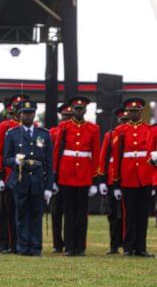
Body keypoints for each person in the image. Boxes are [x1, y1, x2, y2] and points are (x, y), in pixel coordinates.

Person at [3, 99, 54, 256]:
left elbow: (49, 163)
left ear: (34, 114)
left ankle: (36, 247)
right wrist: (15, 161)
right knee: (21, 214)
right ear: (19, 115)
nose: (28, 116)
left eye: (30, 113)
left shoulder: (43, 134)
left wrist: (49, 187)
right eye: (25, 113)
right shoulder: (12, 134)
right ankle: (23, 247)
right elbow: (6, 158)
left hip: (38, 180)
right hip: (20, 179)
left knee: (37, 214)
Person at [107, 97, 155, 257]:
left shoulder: (149, 130)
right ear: (127, 112)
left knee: (143, 213)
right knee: (129, 213)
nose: (134, 113)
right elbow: (115, 158)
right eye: (131, 111)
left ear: (141, 112)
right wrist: (115, 181)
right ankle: (128, 247)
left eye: (136, 111)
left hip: (145, 176)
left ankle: (140, 247)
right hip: (127, 176)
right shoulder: (120, 131)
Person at [53, 96, 100, 256]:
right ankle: (69, 246)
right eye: (76, 108)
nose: (78, 111)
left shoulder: (93, 129)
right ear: (72, 110)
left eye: (81, 109)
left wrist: (95, 179)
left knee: (82, 212)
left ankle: (81, 247)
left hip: (85, 174)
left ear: (86, 110)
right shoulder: (64, 126)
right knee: (69, 211)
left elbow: (96, 154)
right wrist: (55, 175)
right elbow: (57, 151)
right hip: (66, 173)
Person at [0, 95, 30, 253]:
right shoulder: (3, 128)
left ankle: (21, 243)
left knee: (23, 212)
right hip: (7, 176)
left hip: (25, 176)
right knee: (4, 212)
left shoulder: (32, 128)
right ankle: (5, 243)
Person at [97, 108, 129, 255]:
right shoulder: (110, 135)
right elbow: (103, 158)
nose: (124, 123)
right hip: (111, 180)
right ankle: (114, 244)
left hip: (129, 179)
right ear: (118, 121)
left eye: (126, 121)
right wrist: (102, 180)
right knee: (114, 214)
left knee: (128, 214)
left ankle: (127, 243)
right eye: (122, 120)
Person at [49, 103, 74, 252]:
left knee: (70, 211)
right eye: (65, 116)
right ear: (60, 116)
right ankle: (57, 243)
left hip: (69, 175)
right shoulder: (53, 132)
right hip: (55, 177)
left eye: (70, 116)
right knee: (56, 211)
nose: (67, 118)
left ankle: (70, 241)